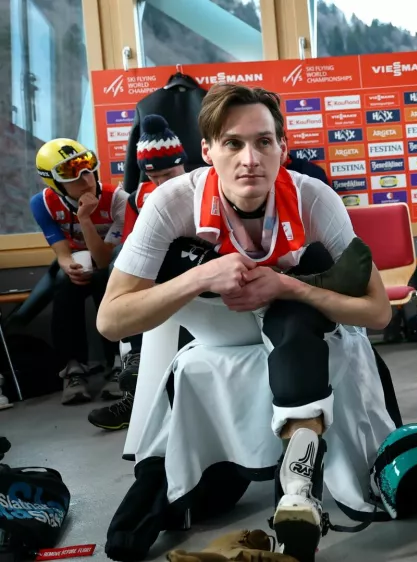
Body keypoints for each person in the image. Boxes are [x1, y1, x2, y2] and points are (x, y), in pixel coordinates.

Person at [96, 83, 393, 560]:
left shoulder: (314, 196)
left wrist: (288, 285)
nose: (250, 158)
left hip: (295, 326)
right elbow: (110, 320)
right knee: (202, 502)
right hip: (215, 331)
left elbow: (380, 312)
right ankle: (160, 494)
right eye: (233, 143)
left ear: (283, 149)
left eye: (263, 142)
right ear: (208, 150)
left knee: (295, 306)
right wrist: (199, 276)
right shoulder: (171, 202)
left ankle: (297, 488)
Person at [87, 114, 188, 431]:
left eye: (168, 173)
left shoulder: (203, 188)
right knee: (121, 271)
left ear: (182, 164)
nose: (161, 183)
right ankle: (135, 382)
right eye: (153, 175)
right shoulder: (138, 198)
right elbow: (132, 251)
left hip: (196, 278)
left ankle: (144, 387)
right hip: (154, 279)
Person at [31, 138, 126, 405]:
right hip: (77, 262)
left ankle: (118, 362)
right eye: (71, 174)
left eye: (87, 168)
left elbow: (104, 258)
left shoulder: (118, 199)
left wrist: (85, 219)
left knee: (107, 281)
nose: (85, 180)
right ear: (54, 182)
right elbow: (60, 251)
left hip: (110, 265)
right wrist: (67, 266)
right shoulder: (43, 204)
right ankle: (73, 370)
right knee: (63, 281)